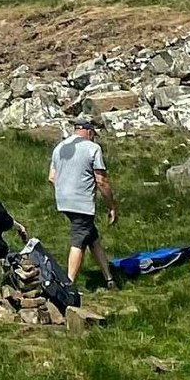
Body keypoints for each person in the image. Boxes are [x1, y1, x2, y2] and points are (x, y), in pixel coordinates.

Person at [50, 120, 118, 289]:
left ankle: (109, 278)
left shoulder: (59, 147)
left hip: (63, 200)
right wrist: (111, 206)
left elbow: (51, 177)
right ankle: (68, 286)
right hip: (82, 202)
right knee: (79, 240)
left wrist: (65, 189)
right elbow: (101, 181)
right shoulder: (92, 148)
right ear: (89, 132)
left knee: (92, 237)